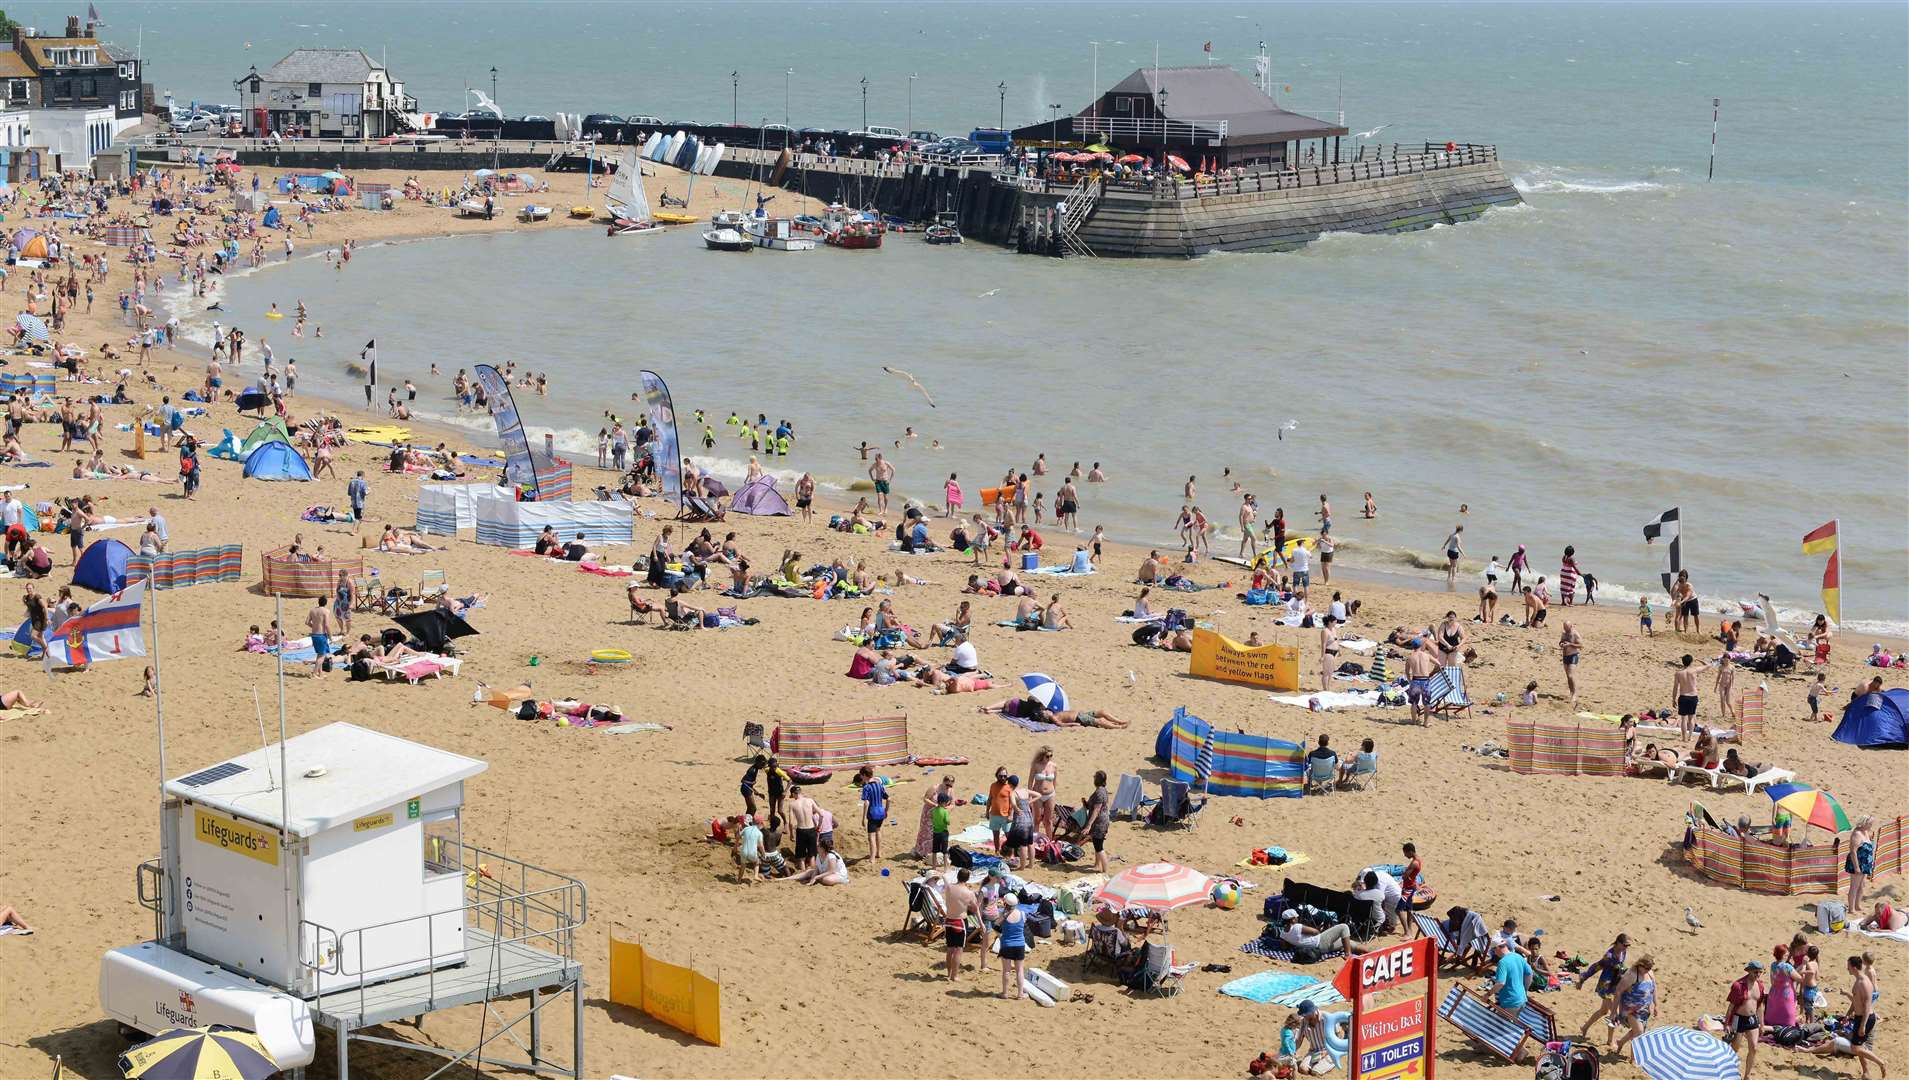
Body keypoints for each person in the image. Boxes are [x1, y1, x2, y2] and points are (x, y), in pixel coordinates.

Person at [1578, 933, 1632, 1036]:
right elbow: (1596, 967)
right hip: (1605, 987)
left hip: (1614, 985)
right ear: (1618, 943)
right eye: (1625, 945)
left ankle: (1584, 1028)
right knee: (1614, 1014)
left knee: (1603, 1011)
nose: (1626, 948)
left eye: (1628, 946)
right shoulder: (1609, 956)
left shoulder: (1623, 952)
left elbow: (1620, 967)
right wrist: (1583, 978)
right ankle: (1610, 1041)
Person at [1725, 960, 1766, 1073]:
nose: (1758, 974)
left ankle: (1747, 1076)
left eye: (1760, 972)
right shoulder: (1738, 986)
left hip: (1752, 1019)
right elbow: (1731, 1007)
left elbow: (1760, 1006)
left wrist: (1762, 1024)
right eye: (1755, 972)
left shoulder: (1760, 985)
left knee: (1754, 1048)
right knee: (1735, 1049)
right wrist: (1727, 1023)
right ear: (1749, 971)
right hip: (1739, 1019)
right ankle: (1728, 1070)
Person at [1610, 957, 1656, 1054]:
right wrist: (1614, 1012)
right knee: (1639, 1032)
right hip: (1630, 1009)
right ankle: (1633, 1059)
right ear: (1640, 965)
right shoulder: (1632, 975)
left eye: (1650, 968)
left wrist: (1656, 1005)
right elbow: (1618, 991)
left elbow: (1654, 988)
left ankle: (1620, 1042)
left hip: (1644, 1008)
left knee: (1638, 1031)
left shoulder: (1650, 973)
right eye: (1647, 968)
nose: (1648, 970)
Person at [1488, 939, 1534, 1028]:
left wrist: (1487, 994)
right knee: (1510, 1025)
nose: (1494, 953)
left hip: (1510, 1002)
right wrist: (1525, 989)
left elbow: (1500, 983)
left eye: (1493, 950)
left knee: (1500, 1027)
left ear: (1497, 948)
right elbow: (1529, 974)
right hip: (1522, 999)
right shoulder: (1518, 956)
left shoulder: (1503, 962)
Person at [943, 868, 977, 980]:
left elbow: (944, 878)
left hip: (948, 921)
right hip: (960, 922)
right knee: (958, 950)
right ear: (967, 879)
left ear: (957, 876)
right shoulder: (969, 893)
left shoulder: (949, 888)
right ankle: (954, 976)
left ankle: (948, 974)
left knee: (950, 949)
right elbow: (975, 908)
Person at [1281, 909, 1357, 957]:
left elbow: (1284, 947)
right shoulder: (1297, 926)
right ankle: (1348, 954)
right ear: (1293, 920)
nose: (1297, 918)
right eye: (1296, 917)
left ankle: (1368, 953)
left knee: (1350, 943)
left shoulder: (1283, 934)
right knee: (1344, 927)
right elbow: (1316, 932)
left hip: (1318, 950)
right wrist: (1318, 929)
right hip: (1320, 941)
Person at [914, 774, 957, 860]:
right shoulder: (935, 788)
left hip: (940, 815)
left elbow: (953, 804)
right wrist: (935, 805)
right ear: (943, 782)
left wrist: (946, 809)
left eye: (950, 785)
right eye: (947, 784)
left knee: (937, 834)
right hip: (929, 814)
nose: (949, 787)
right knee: (926, 833)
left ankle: (933, 853)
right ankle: (922, 852)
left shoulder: (950, 791)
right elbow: (925, 798)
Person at [1082, 770, 1112, 874]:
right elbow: (1094, 806)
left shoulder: (1099, 792)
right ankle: (1096, 864)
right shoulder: (1102, 790)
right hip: (1101, 821)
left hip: (1100, 822)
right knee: (1096, 843)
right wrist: (1086, 804)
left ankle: (1105, 871)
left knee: (1099, 846)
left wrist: (1088, 825)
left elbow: (1097, 809)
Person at [1848, 815, 1876, 914]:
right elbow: (1853, 851)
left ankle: (1857, 905)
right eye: (1870, 824)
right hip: (1858, 863)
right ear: (1864, 823)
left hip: (1865, 863)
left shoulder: (1866, 832)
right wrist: (1856, 867)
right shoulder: (1857, 833)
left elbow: (1867, 845)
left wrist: (1871, 841)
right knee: (1854, 886)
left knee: (1862, 885)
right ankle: (1851, 909)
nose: (1871, 826)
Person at [305, 596, 336, 678]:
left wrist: (314, 626)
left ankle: (320, 673)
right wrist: (330, 636)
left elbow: (307, 622)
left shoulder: (312, 610)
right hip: (321, 635)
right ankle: (314, 673)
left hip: (314, 635)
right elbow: (326, 625)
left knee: (319, 654)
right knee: (322, 656)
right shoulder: (326, 611)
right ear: (326, 603)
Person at [1673, 654, 1701, 738]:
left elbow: (1675, 687)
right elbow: (1708, 665)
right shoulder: (1694, 670)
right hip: (1693, 696)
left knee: (1683, 719)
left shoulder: (1678, 673)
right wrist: (1699, 659)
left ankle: (1684, 737)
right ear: (1691, 662)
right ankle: (1690, 737)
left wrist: (1673, 699)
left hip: (1683, 696)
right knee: (1691, 718)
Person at [1559, 621, 1583, 709]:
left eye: (1567, 628)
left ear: (1571, 626)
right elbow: (1560, 641)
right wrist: (1561, 644)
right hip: (1565, 656)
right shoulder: (1564, 633)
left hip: (1573, 656)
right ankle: (1571, 692)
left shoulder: (1575, 634)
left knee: (1570, 675)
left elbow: (1581, 645)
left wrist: (1570, 644)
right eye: (1564, 628)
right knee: (1568, 676)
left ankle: (1575, 694)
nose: (1566, 629)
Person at [736, 815, 764, 885]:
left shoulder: (746, 829)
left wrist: (739, 830)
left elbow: (738, 836)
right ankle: (756, 875)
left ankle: (739, 880)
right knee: (756, 862)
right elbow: (761, 846)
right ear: (760, 823)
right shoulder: (759, 833)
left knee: (742, 866)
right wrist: (764, 853)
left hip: (743, 851)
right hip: (752, 852)